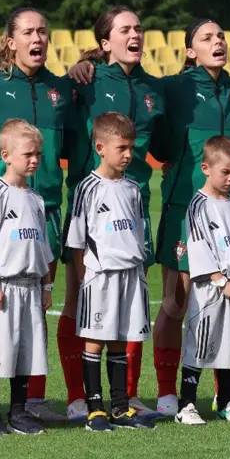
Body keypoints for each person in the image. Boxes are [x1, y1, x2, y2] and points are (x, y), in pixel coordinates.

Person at [0, 7, 73, 424]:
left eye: (43, 31)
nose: (38, 38)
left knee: (35, 308)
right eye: (28, 32)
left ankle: (31, 400)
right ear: (10, 41)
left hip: (44, 208)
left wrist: (87, 64)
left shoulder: (62, 90)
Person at [60, 7, 165, 421]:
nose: (135, 34)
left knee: (131, 304)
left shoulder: (155, 89)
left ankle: (127, 398)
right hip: (93, 207)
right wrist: (75, 68)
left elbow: (169, 147)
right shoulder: (83, 82)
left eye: (139, 27)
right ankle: (77, 397)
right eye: (125, 29)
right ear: (105, 43)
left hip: (135, 203)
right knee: (78, 302)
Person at [151, 18, 230, 417]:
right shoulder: (173, 87)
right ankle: (167, 392)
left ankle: (224, 396)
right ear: (190, 50)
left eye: (223, 37)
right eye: (208, 38)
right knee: (178, 304)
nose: (219, 42)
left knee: (227, 301)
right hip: (185, 208)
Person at [65, 112, 155, 433]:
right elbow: (76, 239)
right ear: (101, 148)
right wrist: (82, 278)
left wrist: (141, 269)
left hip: (131, 276)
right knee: (95, 342)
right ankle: (94, 409)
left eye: (132, 147)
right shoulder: (87, 187)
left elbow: (139, 231)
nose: (129, 154)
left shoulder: (132, 188)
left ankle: (120, 407)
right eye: (122, 148)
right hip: (100, 276)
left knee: (121, 342)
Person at [0, 120, 53, 437]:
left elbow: (42, 246)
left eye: (38, 154)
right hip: (3, 285)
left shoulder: (36, 199)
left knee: (24, 351)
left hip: (31, 286)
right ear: (6, 155)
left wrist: (46, 285)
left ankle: (18, 411)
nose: (34, 160)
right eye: (28, 154)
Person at [173, 136, 230, 426]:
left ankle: (226, 402)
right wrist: (223, 283)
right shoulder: (198, 206)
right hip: (210, 290)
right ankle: (186, 405)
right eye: (226, 172)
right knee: (201, 344)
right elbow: (198, 248)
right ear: (206, 168)